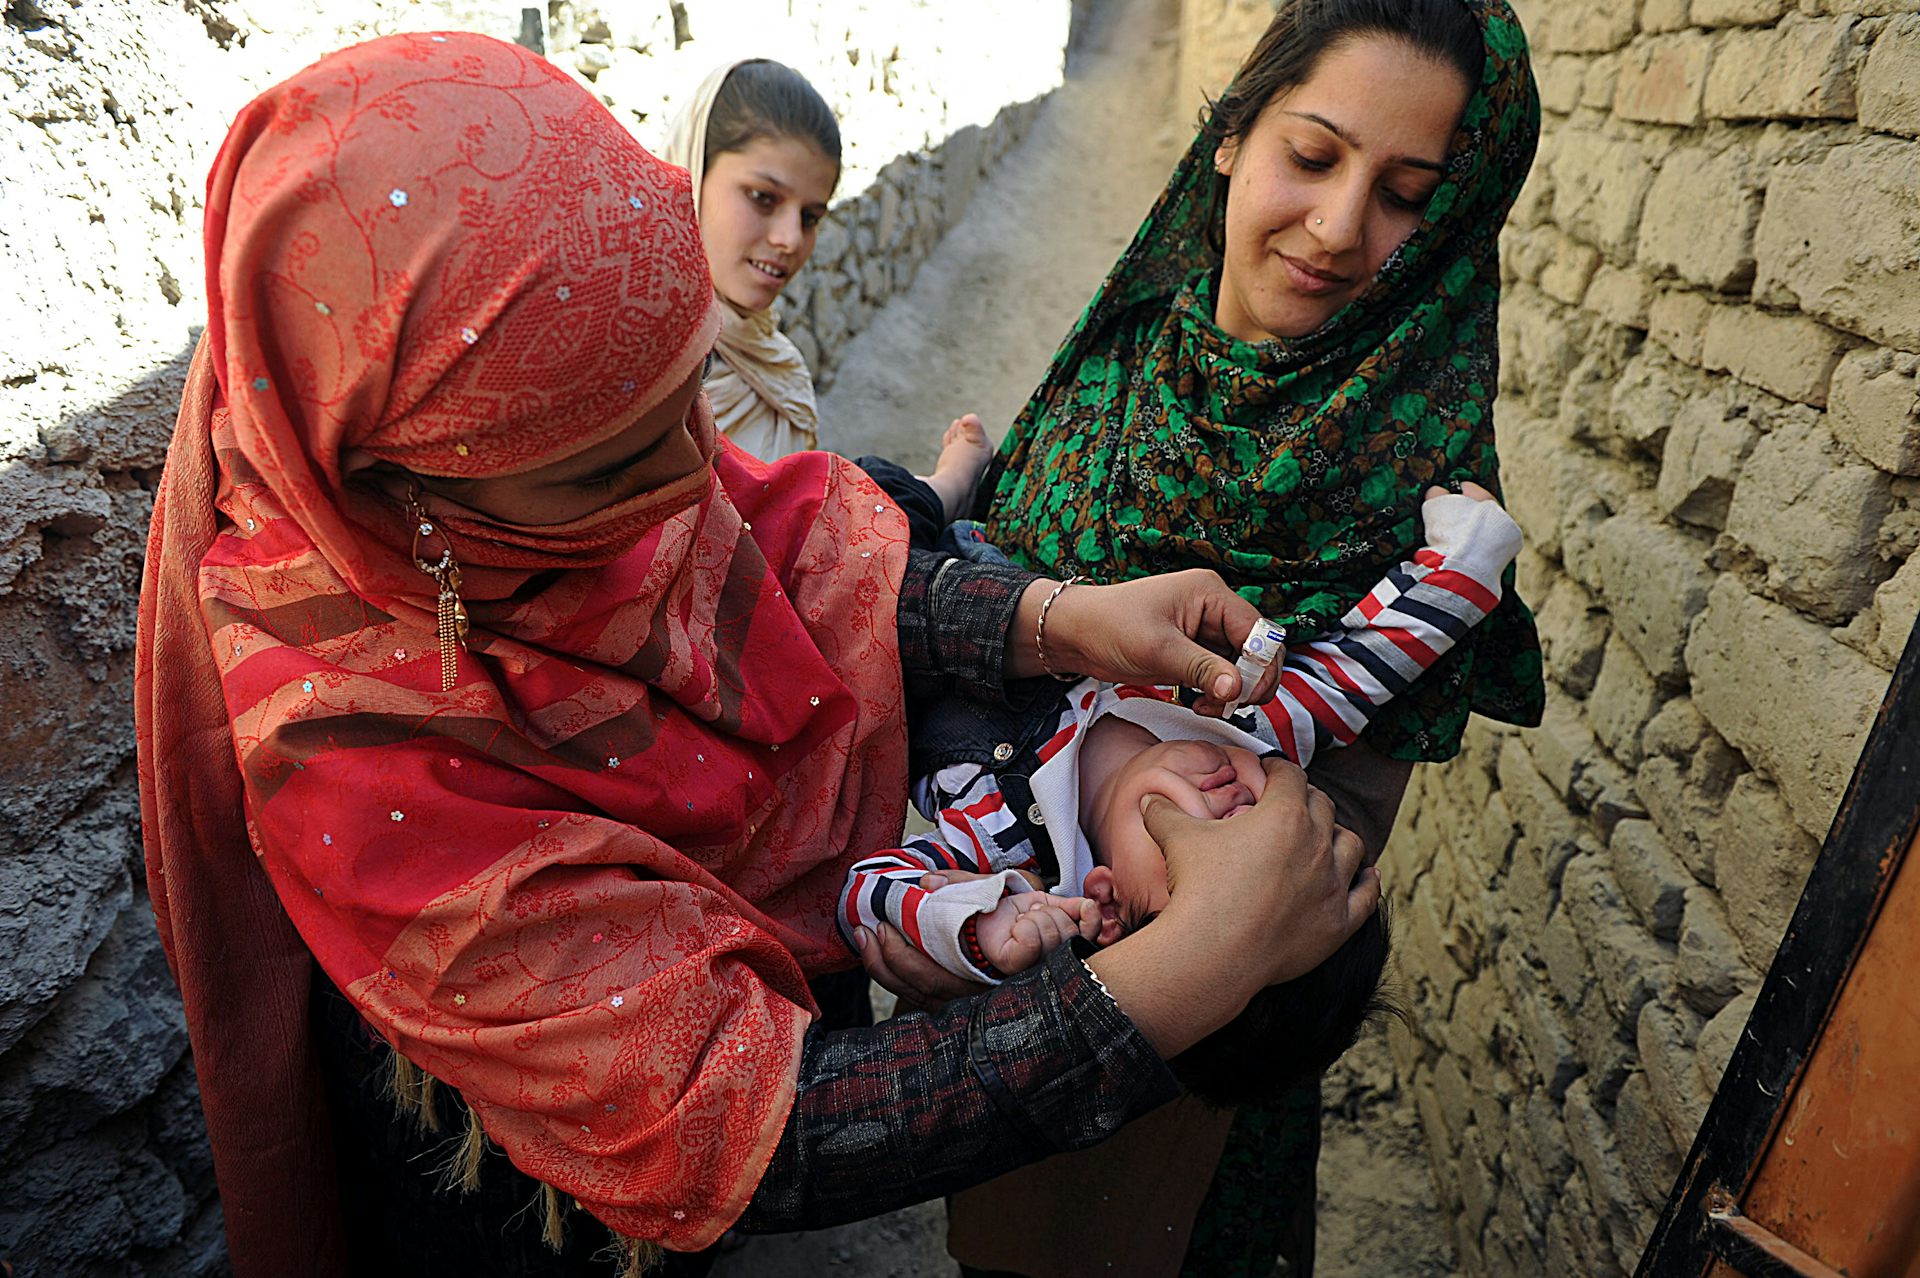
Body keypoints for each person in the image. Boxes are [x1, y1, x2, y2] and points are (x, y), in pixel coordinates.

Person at [133, 31, 1381, 1278]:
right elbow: (746, 1116)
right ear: (403, 490)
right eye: (611, 469)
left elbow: (788, 562)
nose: (696, 483)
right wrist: (1189, 970)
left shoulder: (577, 462)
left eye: (690, 398)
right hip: (517, 1193)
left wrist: (1050, 619)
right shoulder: (346, 745)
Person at [942, 0, 1549, 1273]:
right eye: (1313, 156)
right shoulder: (1118, 363)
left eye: (1406, 196)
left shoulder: (1423, 491)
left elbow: (1339, 845)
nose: (1337, 229)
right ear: (1232, 136)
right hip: (1000, 965)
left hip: (1228, 1044)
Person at [839, 482, 1520, 992]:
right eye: (1279, 828)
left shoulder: (1004, 842)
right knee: (936, 512)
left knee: (877, 498)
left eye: (1211, 863)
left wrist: (971, 925)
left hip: (898, 625)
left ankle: (943, 482)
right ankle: (954, 481)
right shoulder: (1254, 721)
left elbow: (864, 889)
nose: (1240, 813)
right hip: (1002, 570)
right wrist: (1470, 550)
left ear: (1106, 903)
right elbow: (1374, 658)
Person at [660, 58, 836, 459]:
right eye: (762, 197)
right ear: (691, 173)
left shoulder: (770, 362)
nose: (790, 240)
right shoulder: (629, 369)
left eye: (809, 218)